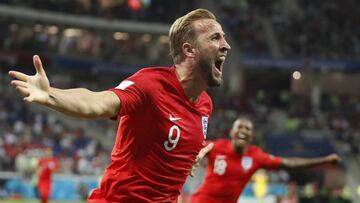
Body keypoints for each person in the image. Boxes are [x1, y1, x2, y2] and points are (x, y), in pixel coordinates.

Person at [8, 8, 230, 202]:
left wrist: (189, 154)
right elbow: (98, 102)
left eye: (224, 38)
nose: (226, 45)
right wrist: (50, 95)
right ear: (189, 50)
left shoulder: (205, 105)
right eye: (215, 38)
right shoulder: (150, 85)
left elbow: (168, 142)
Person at [190, 117, 341, 203]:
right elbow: (192, 147)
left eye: (247, 129)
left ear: (252, 135)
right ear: (231, 132)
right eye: (239, 127)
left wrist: (324, 160)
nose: (243, 130)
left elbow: (288, 163)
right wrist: (194, 159)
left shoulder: (256, 156)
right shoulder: (216, 146)